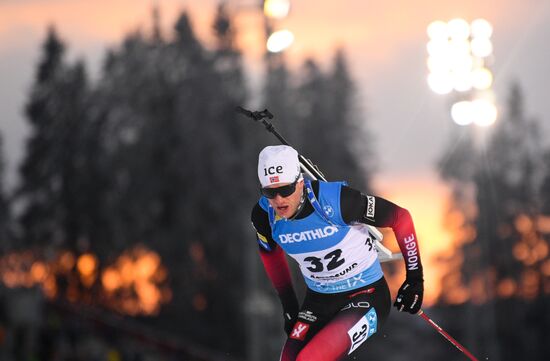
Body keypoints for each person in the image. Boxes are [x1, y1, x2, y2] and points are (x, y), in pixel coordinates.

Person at [250, 145, 424, 361]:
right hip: (319, 301)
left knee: (310, 359)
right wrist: (289, 307)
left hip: (366, 295)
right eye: (269, 192)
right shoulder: (263, 215)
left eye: (285, 190)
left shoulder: (336, 201)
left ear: (300, 182)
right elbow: (271, 256)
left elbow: (400, 217)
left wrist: (415, 279)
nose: (278, 200)